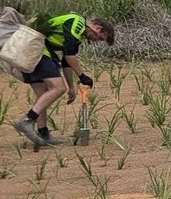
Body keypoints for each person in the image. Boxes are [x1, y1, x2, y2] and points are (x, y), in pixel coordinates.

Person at [15, 9, 113, 148]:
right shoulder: (77, 23)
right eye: (100, 38)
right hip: (35, 49)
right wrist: (82, 76)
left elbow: (67, 62)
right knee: (58, 88)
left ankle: (43, 133)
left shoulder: (79, 34)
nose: (97, 41)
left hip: (29, 49)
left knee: (43, 94)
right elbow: (69, 56)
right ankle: (27, 120)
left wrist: (71, 88)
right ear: (98, 28)